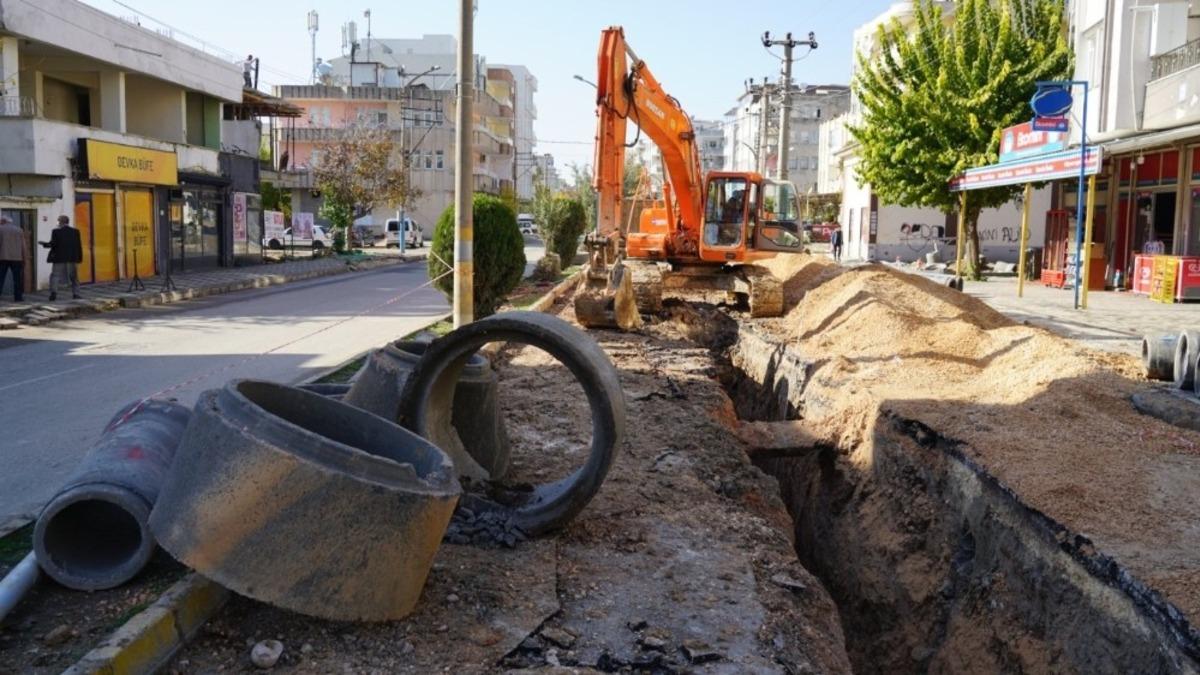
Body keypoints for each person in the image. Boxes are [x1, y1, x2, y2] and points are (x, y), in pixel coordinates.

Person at [40, 215, 82, 301]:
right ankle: (76, 294)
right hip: (72, 258)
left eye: (58, 221)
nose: (57, 222)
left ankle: (53, 293)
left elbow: (53, 244)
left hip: (59, 258)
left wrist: (44, 244)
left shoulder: (56, 231)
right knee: (74, 277)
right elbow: (78, 246)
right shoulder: (75, 231)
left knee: (55, 276)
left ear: (61, 222)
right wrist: (79, 258)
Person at [0, 215, 26, 302]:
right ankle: (18, 297)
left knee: (1, 278)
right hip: (17, 258)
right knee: (17, 279)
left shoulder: (1, 229)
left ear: (3, 221)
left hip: (3, 257)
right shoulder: (19, 230)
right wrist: (24, 258)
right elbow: (23, 246)